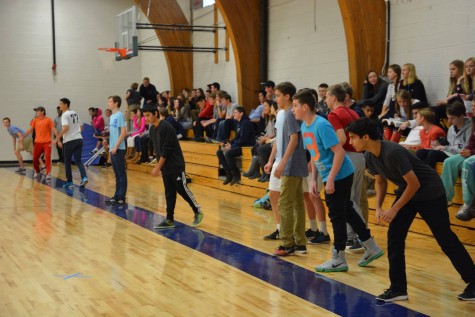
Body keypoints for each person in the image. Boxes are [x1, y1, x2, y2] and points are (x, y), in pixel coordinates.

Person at [346, 117, 475, 302]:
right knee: (395, 237)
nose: (350, 142)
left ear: (365, 137)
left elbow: (414, 184)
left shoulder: (393, 151)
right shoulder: (369, 156)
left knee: (445, 238)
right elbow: (380, 182)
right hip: (409, 192)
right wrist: (379, 207)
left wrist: (394, 209)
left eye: (353, 137)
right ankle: (398, 289)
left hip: (430, 192)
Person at [293, 88, 383, 271]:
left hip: (340, 174)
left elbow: (339, 152)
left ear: (304, 106)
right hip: (329, 174)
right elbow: (315, 155)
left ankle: (339, 258)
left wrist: (331, 179)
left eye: (295, 106)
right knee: (347, 210)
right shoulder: (304, 127)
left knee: (337, 216)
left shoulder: (322, 125)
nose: (292, 109)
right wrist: (313, 180)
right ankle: (371, 246)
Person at [142, 105, 204, 228]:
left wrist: (158, 167)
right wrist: (159, 165)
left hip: (175, 164)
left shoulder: (166, 126)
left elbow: (167, 150)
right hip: (165, 166)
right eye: (145, 116)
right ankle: (169, 219)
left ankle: (197, 210)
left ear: (155, 113)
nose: (147, 118)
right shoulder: (152, 130)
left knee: (181, 189)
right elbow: (158, 150)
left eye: (148, 115)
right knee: (169, 193)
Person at [268, 82, 308, 257]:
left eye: (277, 95)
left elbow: (294, 139)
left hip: (292, 164)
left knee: (284, 204)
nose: (275, 99)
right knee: (298, 204)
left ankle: (287, 243)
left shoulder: (291, 113)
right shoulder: (286, 113)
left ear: (287, 96)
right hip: (296, 164)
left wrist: (283, 162)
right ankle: (300, 243)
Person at [442, 100, 475, 219]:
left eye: (452, 118)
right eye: (472, 106)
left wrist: (471, 151)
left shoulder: (470, 123)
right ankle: (446, 198)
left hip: (471, 155)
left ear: (461, 115)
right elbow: (470, 143)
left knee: (467, 163)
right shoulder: (473, 122)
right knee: (448, 161)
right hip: (468, 153)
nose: (473, 109)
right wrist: (468, 150)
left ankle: (468, 204)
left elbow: (469, 147)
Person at [416, 101, 471, 168]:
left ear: (462, 116)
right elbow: (449, 144)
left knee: (433, 154)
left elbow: (465, 150)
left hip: (460, 155)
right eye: (448, 118)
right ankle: (419, 176)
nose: (449, 121)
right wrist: (439, 144)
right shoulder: (451, 128)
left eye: (452, 118)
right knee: (420, 152)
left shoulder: (470, 128)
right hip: (450, 152)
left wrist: (445, 148)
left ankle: (428, 177)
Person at [217, 106, 255, 185]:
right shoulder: (238, 122)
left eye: (235, 112)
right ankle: (229, 174)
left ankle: (236, 175)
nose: (233, 114)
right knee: (219, 152)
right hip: (240, 145)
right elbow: (237, 137)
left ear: (241, 113)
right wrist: (229, 143)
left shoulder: (246, 123)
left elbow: (243, 139)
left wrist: (232, 146)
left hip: (246, 146)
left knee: (228, 153)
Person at [56, 98, 88, 189]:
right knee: (78, 161)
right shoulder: (75, 113)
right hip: (79, 139)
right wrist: (76, 134)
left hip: (69, 141)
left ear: (66, 105)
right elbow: (81, 127)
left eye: (61, 104)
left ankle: (69, 182)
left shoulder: (64, 115)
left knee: (67, 162)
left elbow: (65, 128)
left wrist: (58, 138)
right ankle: (84, 177)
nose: (59, 105)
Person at [21, 106, 60, 179]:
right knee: (35, 157)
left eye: (38, 111)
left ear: (42, 112)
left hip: (47, 142)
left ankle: (48, 173)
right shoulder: (35, 120)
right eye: (36, 111)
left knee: (47, 157)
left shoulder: (48, 120)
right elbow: (30, 129)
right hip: (37, 142)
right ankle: (37, 171)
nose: (36, 112)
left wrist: (58, 140)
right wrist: (22, 137)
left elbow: (54, 130)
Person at [105, 96, 127, 205]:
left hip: (119, 149)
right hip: (113, 149)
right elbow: (112, 135)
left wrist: (116, 146)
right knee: (117, 174)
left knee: (121, 173)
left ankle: (121, 197)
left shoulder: (120, 115)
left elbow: (123, 132)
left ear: (116, 103)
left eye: (110, 101)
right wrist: (110, 150)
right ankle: (117, 195)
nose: (108, 103)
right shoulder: (112, 116)